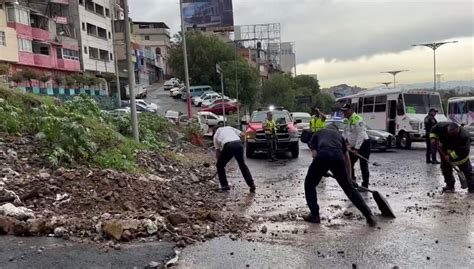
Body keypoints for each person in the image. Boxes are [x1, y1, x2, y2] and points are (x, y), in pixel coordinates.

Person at [303, 124, 377, 226]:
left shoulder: (317, 134)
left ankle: (315, 215)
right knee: (349, 189)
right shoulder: (340, 137)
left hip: (322, 156)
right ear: (336, 130)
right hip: (338, 159)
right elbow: (347, 158)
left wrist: (320, 170)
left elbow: (315, 154)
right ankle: (369, 215)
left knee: (309, 184)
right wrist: (349, 178)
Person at [430, 122, 474, 193]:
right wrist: (433, 138)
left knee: (467, 172)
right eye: (449, 133)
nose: (451, 135)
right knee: (446, 170)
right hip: (445, 152)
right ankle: (450, 186)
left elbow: (463, 151)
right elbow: (433, 130)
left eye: (453, 133)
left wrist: (450, 156)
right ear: (448, 129)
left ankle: (472, 187)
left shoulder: (464, 136)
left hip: (460, 157)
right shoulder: (442, 126)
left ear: (457, 130)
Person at [213, 126, 256, 193]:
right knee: (242, 165)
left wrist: (220, 163)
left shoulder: (215, 136)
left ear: (214, 131)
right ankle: (251, 184)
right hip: (238, 144)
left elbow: (218, 153)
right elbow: (243, 134)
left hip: (228, 145)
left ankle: (224, 186)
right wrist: (241, 144)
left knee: (220, 165)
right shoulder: (229, 128)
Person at [340, 103, 371, 189]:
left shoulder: (358, 119)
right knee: (349, 163)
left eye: (346, 111)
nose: (344, 113)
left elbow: (360, 135)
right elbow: (345, 133)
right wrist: (343, 142)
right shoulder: (346, 120)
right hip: (353, 145)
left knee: (363, 164)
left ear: (351, 110)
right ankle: (352, 182)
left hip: (364, 143)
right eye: (343, 111)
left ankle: (365, 185)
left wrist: (357, 149)